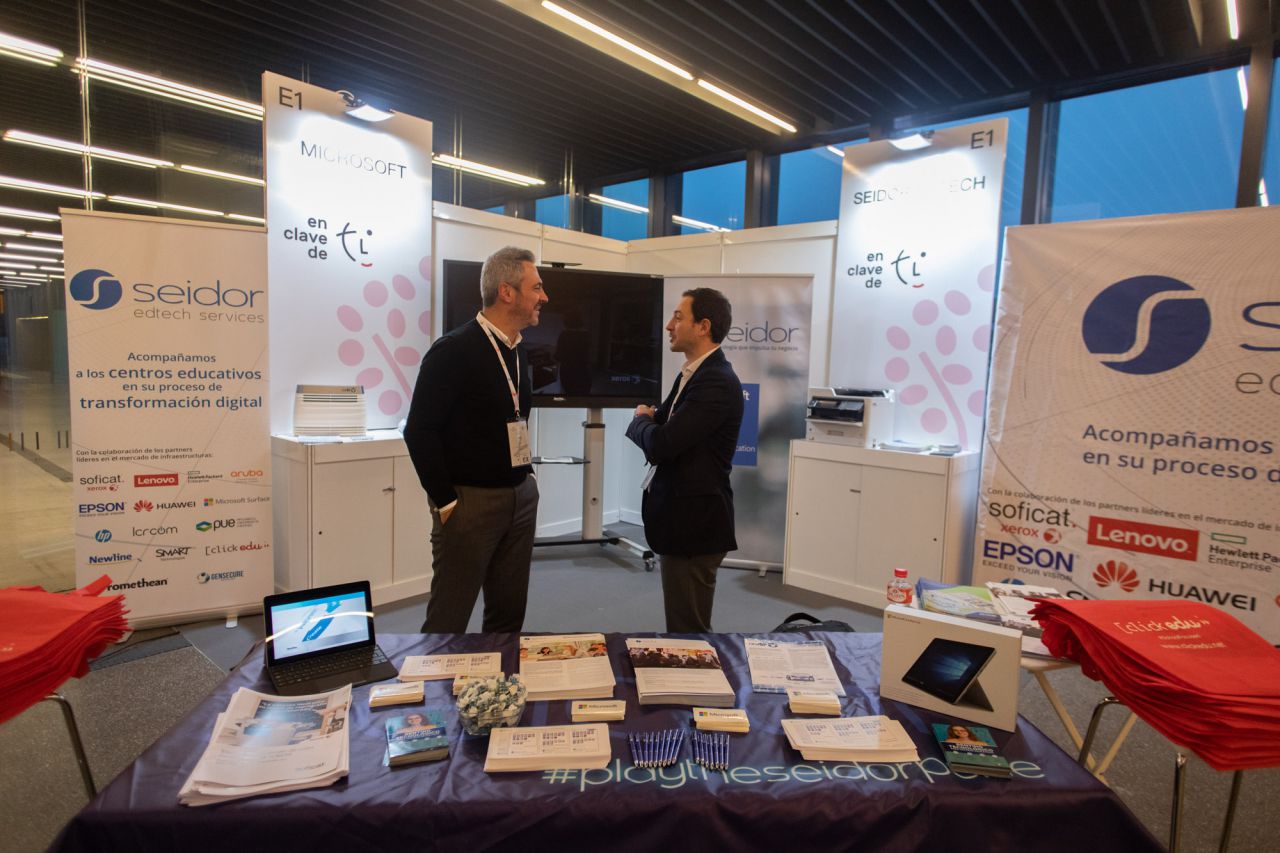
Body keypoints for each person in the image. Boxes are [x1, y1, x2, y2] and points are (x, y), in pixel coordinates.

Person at [404, 246, 548, 633]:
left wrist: (528, 478)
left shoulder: (518, 351)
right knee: (447, 622)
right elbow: (419, 430)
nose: (545, 297)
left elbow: (515, 418)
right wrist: (447, 502)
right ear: (507, 292)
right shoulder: (452, 350)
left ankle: (498, 677)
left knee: (507, 618)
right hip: (470, 504)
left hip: (520, 497)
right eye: (536, 287)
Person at [626, 288, 743, 633]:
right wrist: (652, 424)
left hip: (695, 527)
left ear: (703, 326)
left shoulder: (715, 381)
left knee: (688, 633)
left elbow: (661, 443)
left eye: (678, 317)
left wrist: (639, 421)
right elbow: (663, 425)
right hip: (681, 521)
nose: (668, 326)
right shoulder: (694, 373)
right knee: (683, 627)